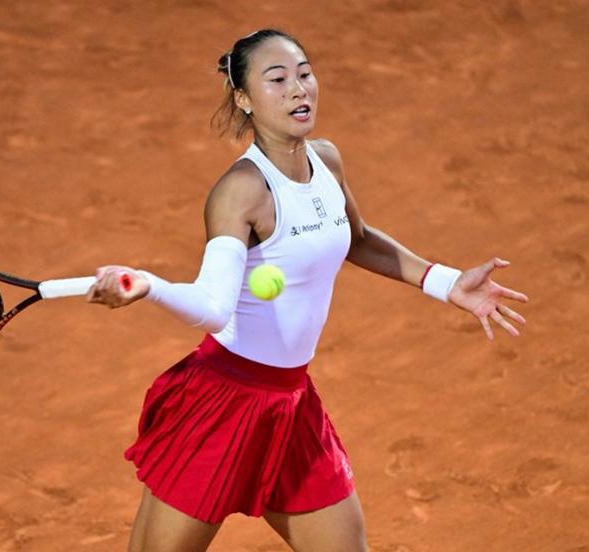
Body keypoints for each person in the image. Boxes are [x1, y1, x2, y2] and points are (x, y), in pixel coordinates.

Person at [87, 29, 528, 552]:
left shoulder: (326, 160)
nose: (299, 89)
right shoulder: (240, 192)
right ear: (245, 100)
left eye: (304, 73)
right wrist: (150, 286)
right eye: (277, 80)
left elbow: (356, 240)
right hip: (222, 405)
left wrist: (446, 282)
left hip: (292, 406)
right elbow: (211, 308)